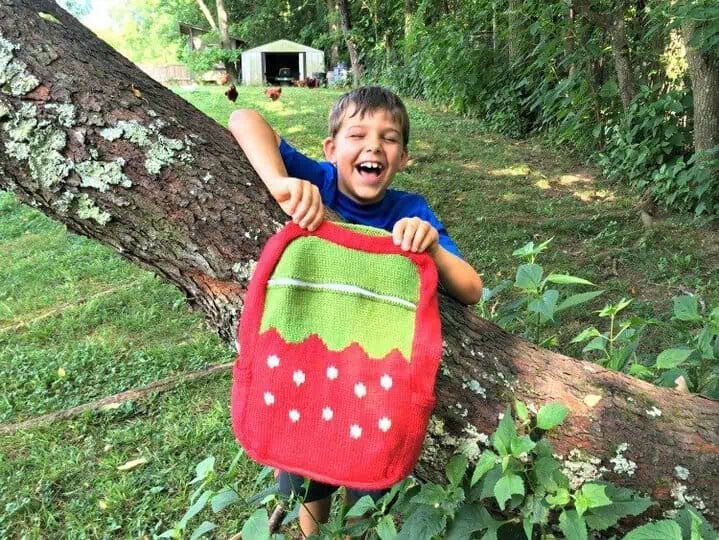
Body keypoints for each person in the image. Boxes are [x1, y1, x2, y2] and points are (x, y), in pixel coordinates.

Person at [228, 86, 482, 536]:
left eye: (389, 138)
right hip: (305, 365)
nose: (373, 146)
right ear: (331, 148)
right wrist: (279, 182)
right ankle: (311, 533)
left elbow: (471, 289)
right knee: (305, 476)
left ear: (402, 158)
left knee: (368, 482)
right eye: (358, 134)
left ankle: (360, 530)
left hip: (375, 381)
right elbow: (244, 118)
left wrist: (430, 245)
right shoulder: (320, 180)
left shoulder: (410, 209)